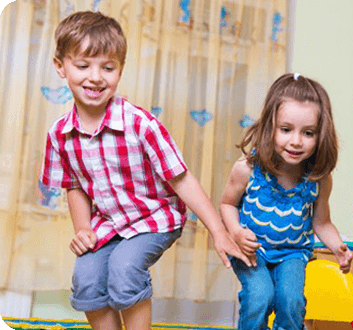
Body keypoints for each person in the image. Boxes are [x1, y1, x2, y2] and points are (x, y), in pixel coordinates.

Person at [40, 11, 250, 330]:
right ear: (61, 67)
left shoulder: (140, 124)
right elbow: (75, 185)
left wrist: (219, 231)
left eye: (107, 68)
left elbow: (182, 179)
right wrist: (83, 228)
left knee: (124, 269)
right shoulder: (60, 134)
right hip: (110, 223)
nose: (95, 77)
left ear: (120, 70)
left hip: (155, 217)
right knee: (86, 279)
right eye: (83, 65)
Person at [220, 72, 353, 330]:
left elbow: (322, 222)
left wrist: (339, 247)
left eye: (308, 133)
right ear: (270, 127)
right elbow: (227, 204)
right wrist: (236, 232)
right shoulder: (248, 168)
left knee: (291, 302)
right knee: (260, 296)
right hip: (252, 251)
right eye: (286, 130)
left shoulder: (318, 178)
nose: (296, 141)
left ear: (320, 134)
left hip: (293, 254)